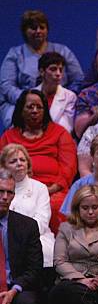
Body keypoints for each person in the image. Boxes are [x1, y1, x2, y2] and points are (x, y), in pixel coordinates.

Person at [0, 89, 77, 233]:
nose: (35, 110)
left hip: (54, 191)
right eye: (30, 107)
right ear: (21, 110)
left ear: (45, 110)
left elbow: (69, 168)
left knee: (57, 206)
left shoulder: (60, 133)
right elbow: (1, 168)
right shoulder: (8, 136)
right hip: (15, 189)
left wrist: (48, 190)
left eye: (39, 107)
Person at [0, 10, 83, 130]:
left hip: (59, 101)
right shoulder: (15, 54)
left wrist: (61, 96)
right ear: (25, 31)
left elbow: (78, 79)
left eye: (42, 27)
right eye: (33, 28)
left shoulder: (63, 51)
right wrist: (27, 100)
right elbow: (6, 85)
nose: (38, 31)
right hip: (20, 103)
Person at [0, 168, 43, 304]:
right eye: (0, 191)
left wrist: (14, 290)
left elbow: (34, 269)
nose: (5, 197)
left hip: (16, 290)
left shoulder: (28, 225)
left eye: (9, 192)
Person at [0, 144, 54, 267]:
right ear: (4, 166)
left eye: (22, 160)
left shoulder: (40, 188)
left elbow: (42, 222)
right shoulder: (1, 188)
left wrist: (19, 238)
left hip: (36, 238)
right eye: (13, 161)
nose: (19, 163)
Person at [34, 52, 77, 133]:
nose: (58, 74)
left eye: (60, 70)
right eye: (53, 69)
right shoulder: (29, 95)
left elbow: (65, 129)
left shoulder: (70, 97)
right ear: (42, 71)